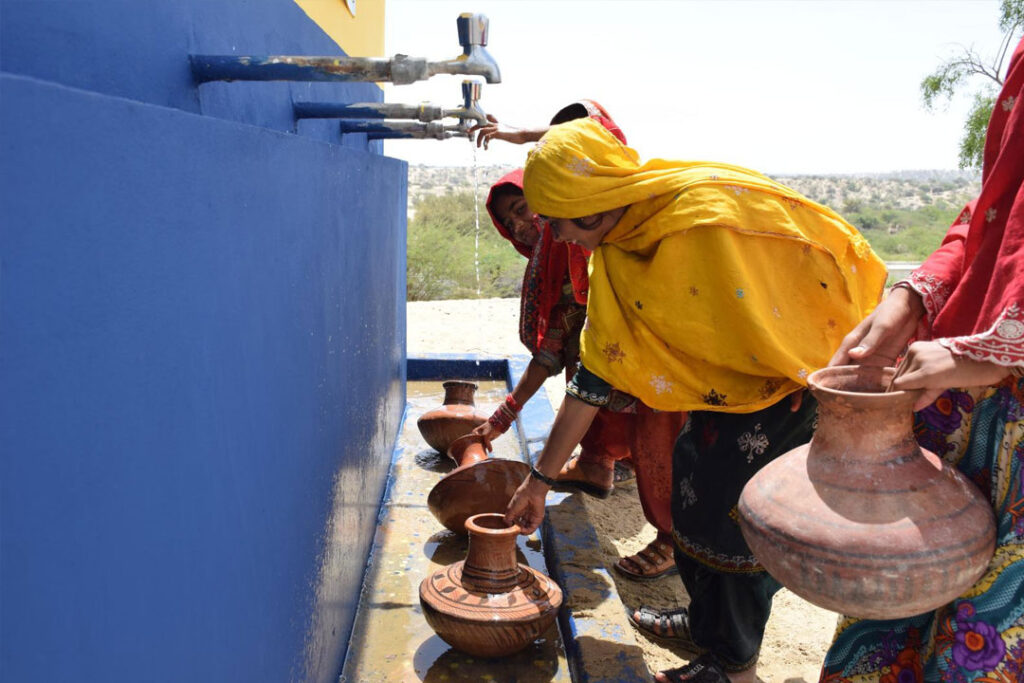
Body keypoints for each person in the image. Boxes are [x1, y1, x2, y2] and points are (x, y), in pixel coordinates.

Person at [504, 117, 887, 682]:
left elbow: (812, 271)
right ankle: (707, 626)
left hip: (785, 386)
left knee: (735, 529)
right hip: (715, 392)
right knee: (689, 502)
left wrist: (822, 371)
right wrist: (538, 481)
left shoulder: (704, 217)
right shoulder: (617, 252)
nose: (558, 237)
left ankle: (732, 665)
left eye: (558, 221)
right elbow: (594, 376)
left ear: (588, 204)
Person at [819, 36, 1024, 683]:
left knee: (982, 643)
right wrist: (915, 295)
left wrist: (995, 352)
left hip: (991, 389)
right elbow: (992, 209)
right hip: (961, 386)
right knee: (895, 597)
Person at [476, 100, 685, 579]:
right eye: (511, 221)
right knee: (607, 402)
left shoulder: (626, 227)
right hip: (613, 355)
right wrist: (520, 445)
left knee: (661, 440)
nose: (526, 225)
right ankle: (600, 464)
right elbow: (565, 347)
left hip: (668, 361)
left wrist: (521, 135)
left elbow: (595, 132)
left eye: (529, 210)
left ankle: (676, 540)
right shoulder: (568, 248)